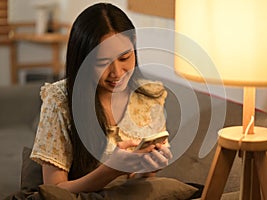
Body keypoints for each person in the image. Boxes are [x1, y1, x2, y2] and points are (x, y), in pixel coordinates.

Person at [29, 3, 172, 194]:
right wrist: (110, 170)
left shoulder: (149, 97)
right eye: (102, 62)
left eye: (125, 58)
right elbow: (54, 191)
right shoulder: (59, 100)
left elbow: (138, 181)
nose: (117, 73)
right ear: (83, 60)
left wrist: (148, 167)